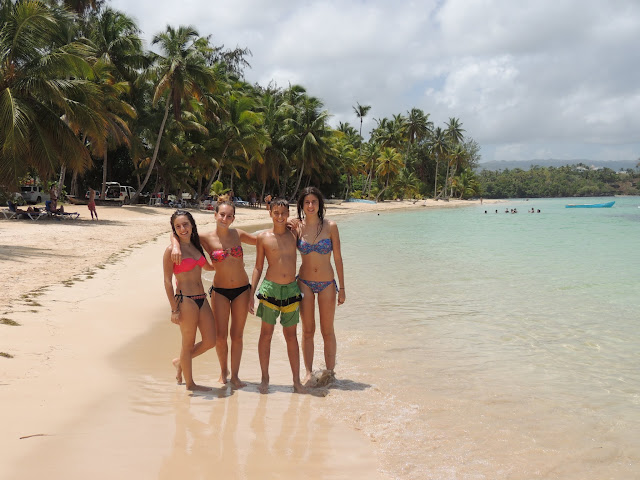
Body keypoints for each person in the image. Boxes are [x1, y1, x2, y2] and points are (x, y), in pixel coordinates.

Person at [171, 201, 256, 388]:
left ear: (233, 218)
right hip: (220, 291)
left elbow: (263, 240)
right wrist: (175, 245)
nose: (225, 219)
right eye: (222, 215)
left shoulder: (238, 234)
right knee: (219, 337)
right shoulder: (205, 237)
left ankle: (234, 376)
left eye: (229, 216)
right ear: (215, 215)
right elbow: (179, 232)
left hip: (242, 290)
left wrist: (290, 225)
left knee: (237, 336)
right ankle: (222, 374)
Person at [249, 198, 306, 394]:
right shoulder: (263, 237)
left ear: (288, 214)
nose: (280, 216)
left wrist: (296, 221)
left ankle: (297, 381)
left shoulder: (294, 234)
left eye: (283, 213)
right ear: (270, 213)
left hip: (291, 290)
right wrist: (251, 294)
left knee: (292, 337)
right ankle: (265, 378)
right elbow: (258, 266)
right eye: (276, 213)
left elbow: (308, 220)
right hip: (270, 289)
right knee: (266, 335)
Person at [294, 187, 345, 386]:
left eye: (314, 201)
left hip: (327, 283)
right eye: (306, 202)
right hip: (304, 282)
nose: (310, 205)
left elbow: (339, 258)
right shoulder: (297, 227)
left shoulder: (330, 226)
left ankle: (330, 373)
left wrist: (343, 287)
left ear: (320, 204)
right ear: (302, 205)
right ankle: (307, 372)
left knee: (327, 330)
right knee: (307, 330)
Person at [163, 210, 216, 391]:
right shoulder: (171, 251)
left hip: (202, 298)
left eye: (185, 224)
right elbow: (167, 282)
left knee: (210, 341)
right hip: (185, 300)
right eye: (178, 226)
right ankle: (190, 384)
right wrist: (173, 309)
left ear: (192, 224)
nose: (182, 229)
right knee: (187, 342)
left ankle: (180, 363)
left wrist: (219, 257)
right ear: (174, 230)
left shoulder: (195, 245)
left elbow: (208, 267)